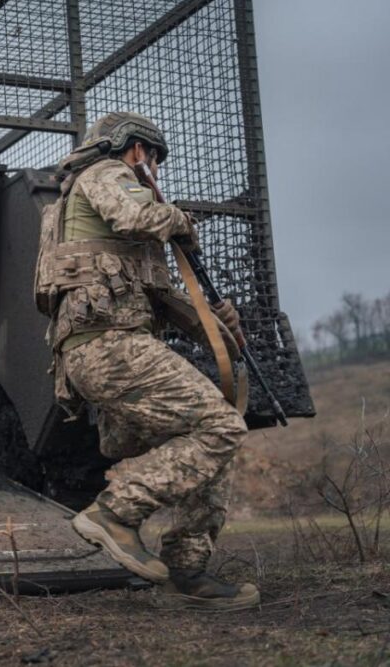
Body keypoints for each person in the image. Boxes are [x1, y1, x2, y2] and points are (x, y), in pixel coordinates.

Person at [35, 112, 257, 610]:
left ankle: (187, 573)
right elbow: (138, 216)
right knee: (221, 427)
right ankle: (115, 513)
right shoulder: (106, 173)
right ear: (138, 150)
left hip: (108, 352)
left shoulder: (99, 219)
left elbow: (161, 298)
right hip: (109, 347)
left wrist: (219, 325)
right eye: (152, 159)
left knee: (212, 443)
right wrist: (181, 221)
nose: (152, 170)